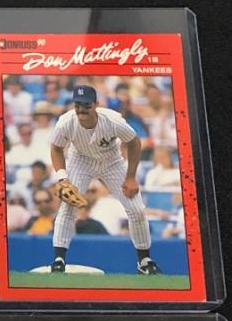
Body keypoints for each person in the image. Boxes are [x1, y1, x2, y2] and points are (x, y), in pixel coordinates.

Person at [48, 84, 161, 277]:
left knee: (136, 209)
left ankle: (144, 262)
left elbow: (134, 142)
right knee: (68, 207)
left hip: (112, 162)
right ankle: (59, 261)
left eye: (86, 105)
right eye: (78, 105)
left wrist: (131, 177)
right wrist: (62, 178)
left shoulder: (112, 120)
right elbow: (56, 148)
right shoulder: (66, 121)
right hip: (80, 160)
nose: (82, 110)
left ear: (96, 104)